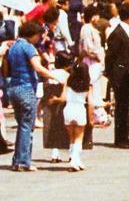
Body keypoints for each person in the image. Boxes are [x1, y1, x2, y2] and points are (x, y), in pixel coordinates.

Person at [3, 21, 55, 170]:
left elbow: (6, 67)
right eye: (38, 35)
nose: (39, 38)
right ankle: (23, 162)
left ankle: (17, 160)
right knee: (27, 126)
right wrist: (54, 76)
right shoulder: (28, 47)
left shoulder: (13, 47)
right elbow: (37, 67)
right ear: (32, 35)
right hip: (26, 88)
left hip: (13, 87)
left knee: (22, 125)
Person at [105, 3, 129, 149]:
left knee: (127, 107)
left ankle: (125, 137)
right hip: (121, 75)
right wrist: (111, 74)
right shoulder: (117, 33)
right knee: (121, 108)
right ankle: (120, 138)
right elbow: (110, 56)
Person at [56, 62, 92, 171]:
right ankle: (74, 161)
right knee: (79, 138)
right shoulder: (88, 85)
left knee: (71, 137)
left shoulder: (68, 82)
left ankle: (75, 159)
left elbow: (63, 98)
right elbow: (91, 103)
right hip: (80, 110)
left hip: (68, 110)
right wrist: (91, 118)